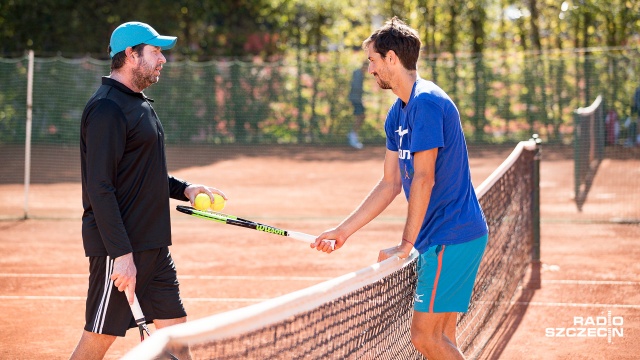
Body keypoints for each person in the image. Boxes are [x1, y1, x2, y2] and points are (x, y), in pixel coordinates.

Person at [312, 17, 488, 360]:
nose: (370, 69)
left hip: (450, 237)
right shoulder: (398, 113)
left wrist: (406, 246)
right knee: (443, 336)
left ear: (391, 58)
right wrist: (343, 231)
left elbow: (424, 179)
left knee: (425, 339)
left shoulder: (427, 103)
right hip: (443, 238)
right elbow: (390, 183)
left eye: (372, 60)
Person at [70, 22, 226, 360]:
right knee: (98, 338)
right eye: (155, 51)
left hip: (154, 246)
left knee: (175, 337)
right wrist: (121, 255)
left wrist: (185, 188)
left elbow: (143, 171)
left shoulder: (138, 103)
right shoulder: (107, 108)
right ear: (130, 54)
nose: (163, 59)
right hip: (122, 249)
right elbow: (100, 187)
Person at [347, 61, 368, 149]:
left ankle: (353, 135)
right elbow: (356, 87)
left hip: (357, 99)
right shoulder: (358, 74)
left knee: (361, 116)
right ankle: (352, 135)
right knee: (360, 116)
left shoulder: (360, 74)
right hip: (356, 99)